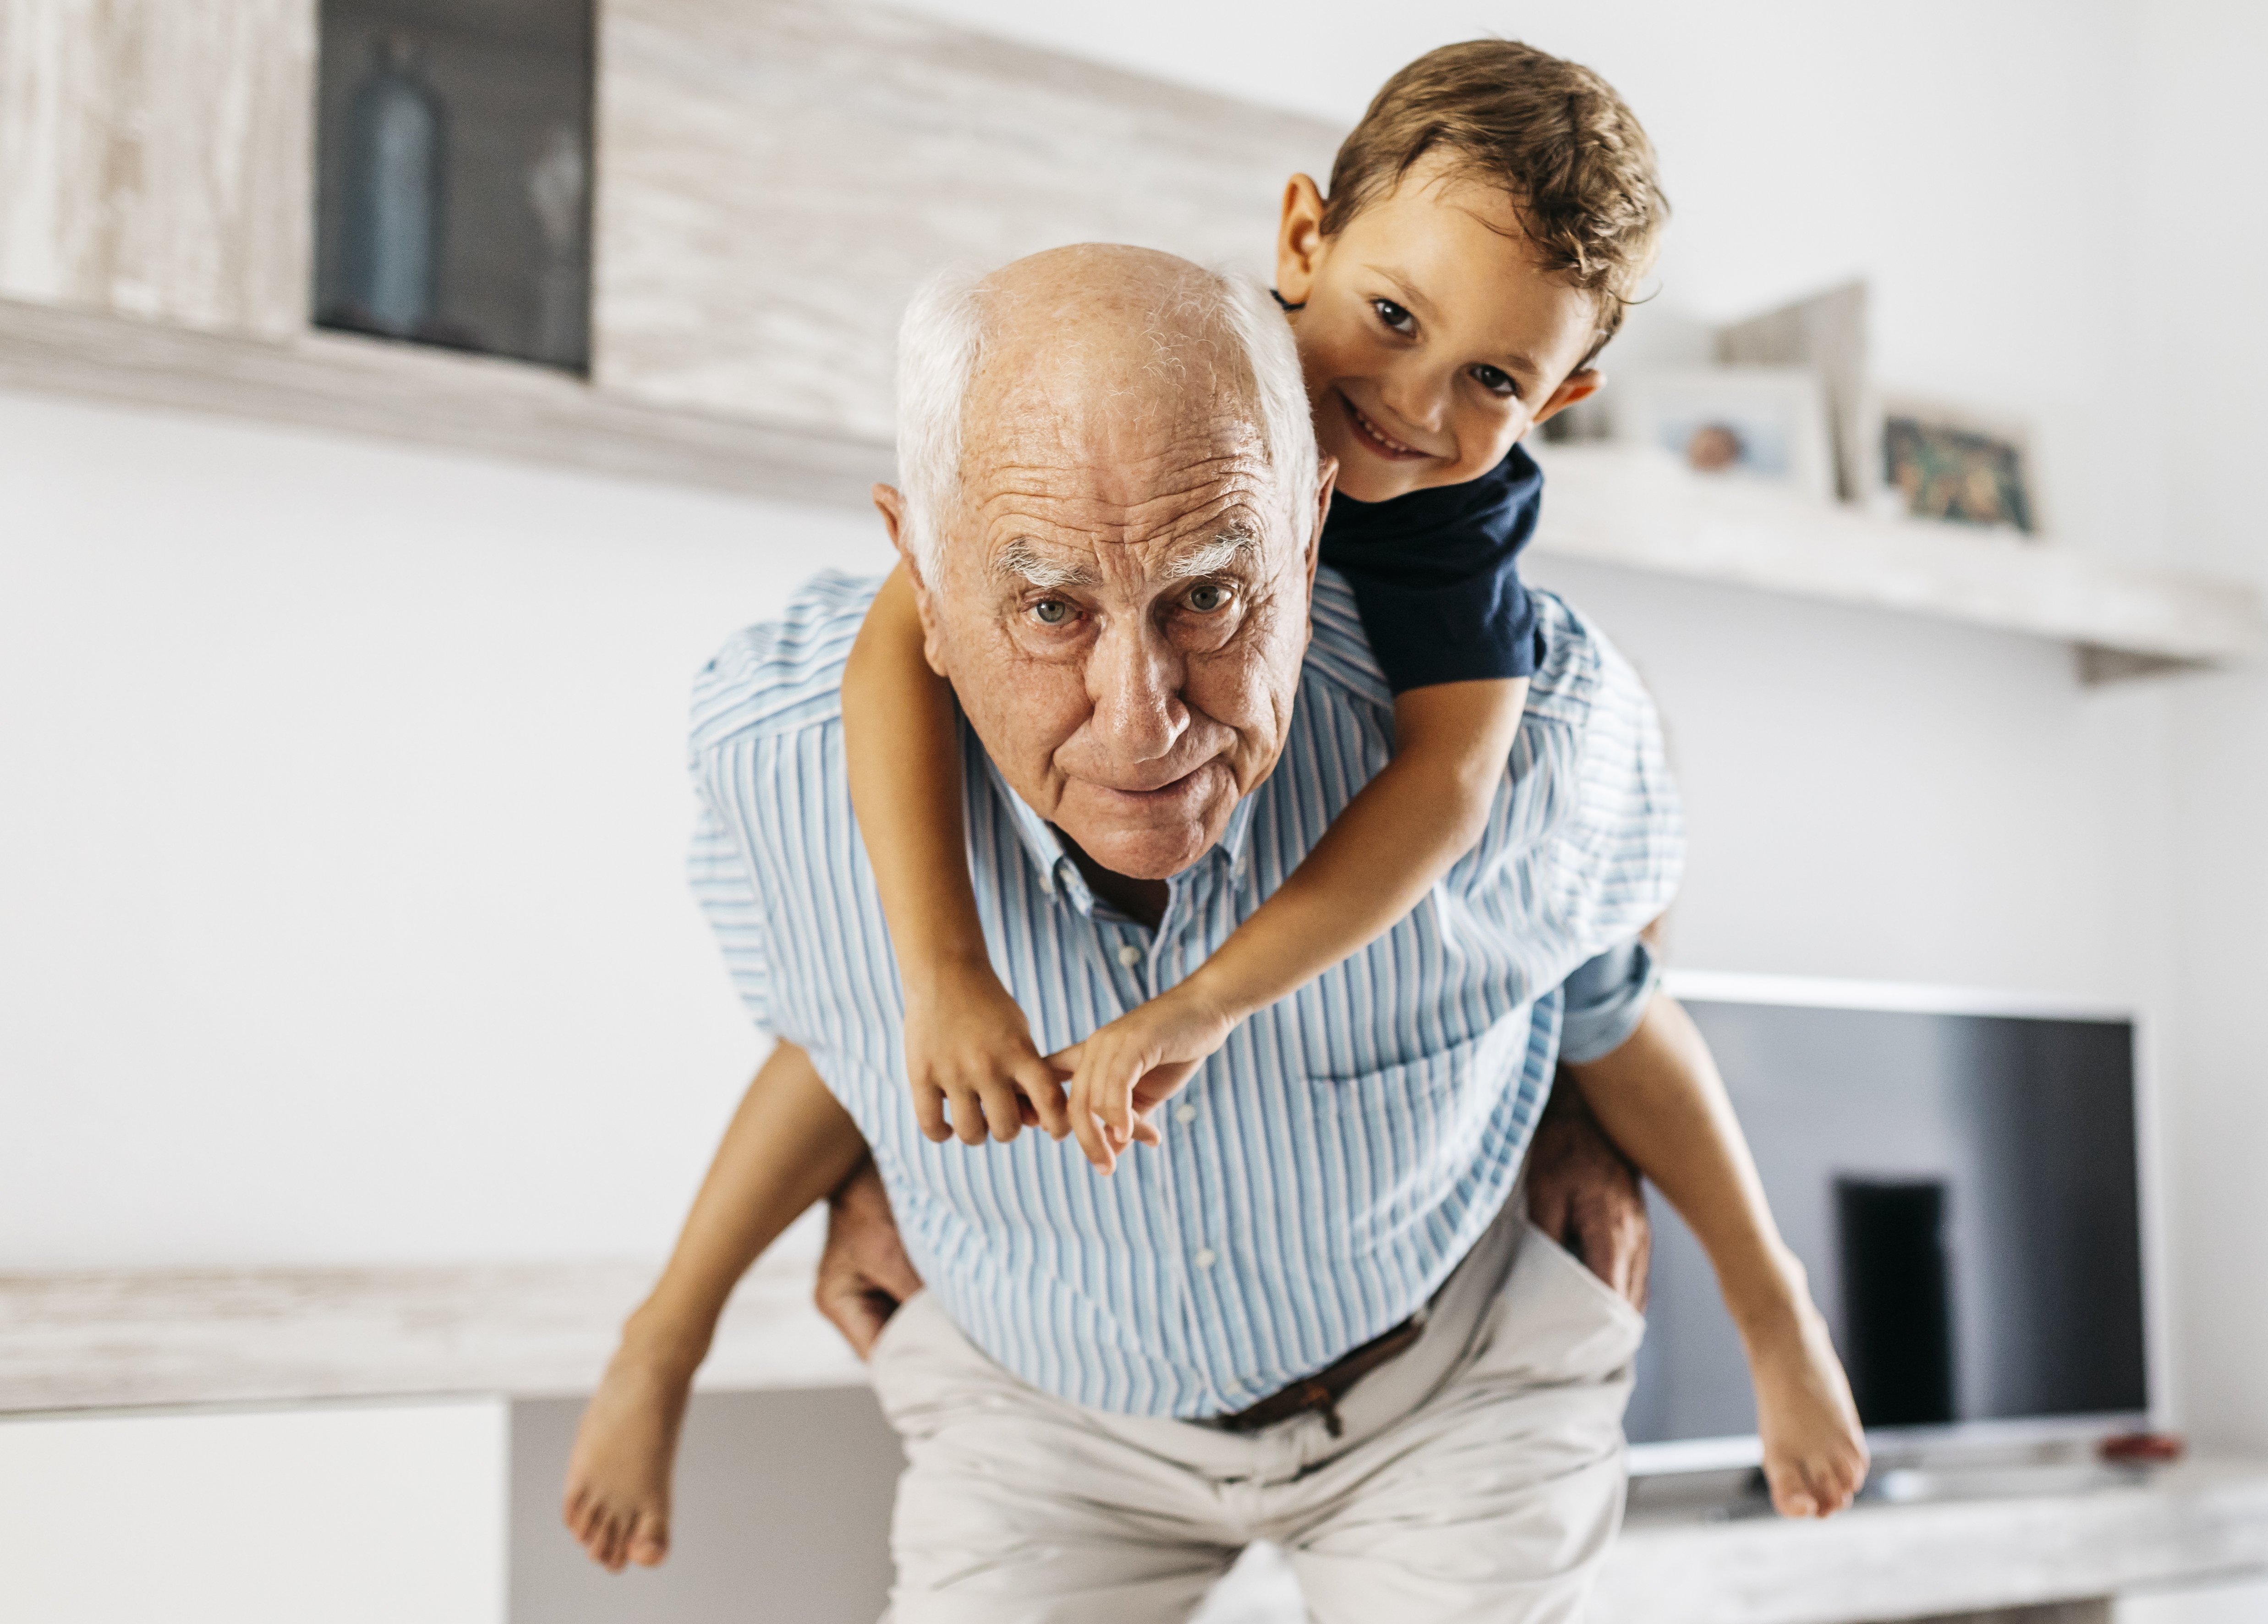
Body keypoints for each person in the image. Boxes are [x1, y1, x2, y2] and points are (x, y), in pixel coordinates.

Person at [564, 244, 1866, 1621]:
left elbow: (1608, 1000)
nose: (1142, 721)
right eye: (1051, 609)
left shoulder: (1526, 744)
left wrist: (1764, 1299)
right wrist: (672, 1333)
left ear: (1304, 532)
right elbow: (828, 1045)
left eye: (1207, 595)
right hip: (1045, 1421)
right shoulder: (781, 769)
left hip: (1447, 1376)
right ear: (924, 579)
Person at [838, 42, 1663, 1168]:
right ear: (1302, 241)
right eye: (1393, 315)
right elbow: (896, 640)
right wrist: (946, 972)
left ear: (1557, 399)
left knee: (1621, 974)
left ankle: (1772, 1308)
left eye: (1495, 381)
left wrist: (1211, 1001)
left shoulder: (1461, 519)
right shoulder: (1181, 377)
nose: (1412, 404)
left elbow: (1451, 783)